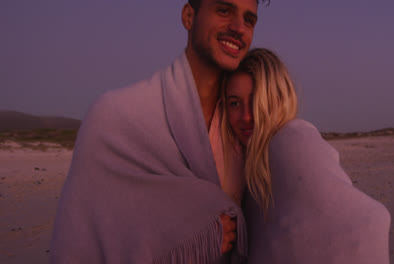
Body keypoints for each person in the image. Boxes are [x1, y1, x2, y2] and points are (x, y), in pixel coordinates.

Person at [50, 1, 268, 263]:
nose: (239, 28)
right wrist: (196, 239)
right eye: (224, 10)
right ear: (189, 16)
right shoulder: (113, 117)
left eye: (249, 20)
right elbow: (84, 238)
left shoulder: (245, 124)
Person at [221, 48, 391, 263]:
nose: (246, 116)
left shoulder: (292, 141)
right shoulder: (242, 159)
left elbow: (364, 221)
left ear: (278, 98)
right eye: (235, 103)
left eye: (256, 100)